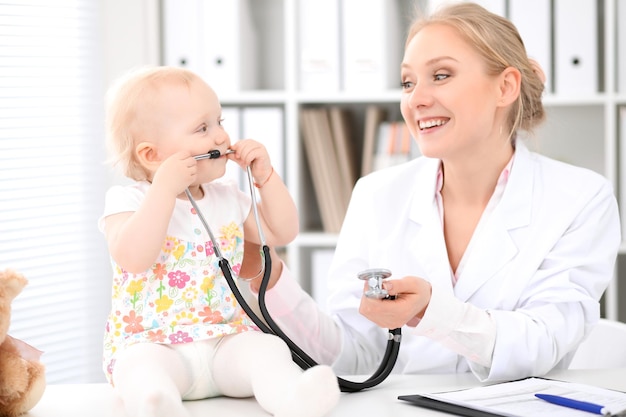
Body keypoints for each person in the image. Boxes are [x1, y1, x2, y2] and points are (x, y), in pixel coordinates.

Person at [244, 2, 621, 383]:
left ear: (505, 86)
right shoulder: (375, 194)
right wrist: (275, 285)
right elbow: (354, 357)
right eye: (408, 83)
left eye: (441, 75)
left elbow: (542, 342)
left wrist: (432, 311)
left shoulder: (581, 198)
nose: (416, 100)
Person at [98, 66, 340, 417]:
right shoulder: (128, 201)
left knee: (268, 349)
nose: (221, 138)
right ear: (152, 156)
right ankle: (157, 403)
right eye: (203, 128)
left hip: (225, 342)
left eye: (219, 122)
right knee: (137, 367)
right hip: (157, 344)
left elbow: (283, 232)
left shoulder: (227, 198)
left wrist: (266, 178)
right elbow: (133, 258)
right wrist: (165, 189)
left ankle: (294, 399)